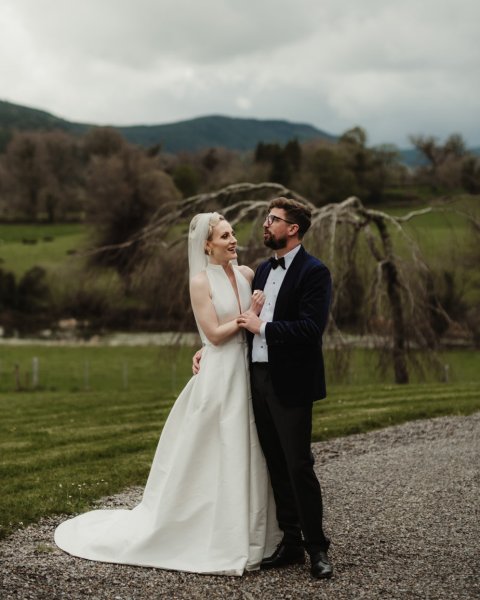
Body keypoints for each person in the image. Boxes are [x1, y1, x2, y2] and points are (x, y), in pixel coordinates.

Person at [54, 212, 281, 576]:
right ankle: (207, 530)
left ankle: (256, 534)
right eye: (225, 236)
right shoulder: (199, 282)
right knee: (217, 445)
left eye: (233, 233)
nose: (233, 240)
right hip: (221, 373)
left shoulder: (247, 275)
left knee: (249, 446)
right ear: (207, 245)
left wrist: (237, 325)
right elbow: (213, 332)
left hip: (245, 371)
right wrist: (246, 317)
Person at [194, 197, 333, 580]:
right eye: (267, 218)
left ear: (293, 229)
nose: (265, 225)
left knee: (298, 464)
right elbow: (235, 320)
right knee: (274, 463)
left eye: (273, 220)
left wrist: (264, 329)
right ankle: (289, 542)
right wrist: (205, 350)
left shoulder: (314, 272)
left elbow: (310, 330)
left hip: (291, 381)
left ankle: (317, 547)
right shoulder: (260, 270)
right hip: (255, 377)